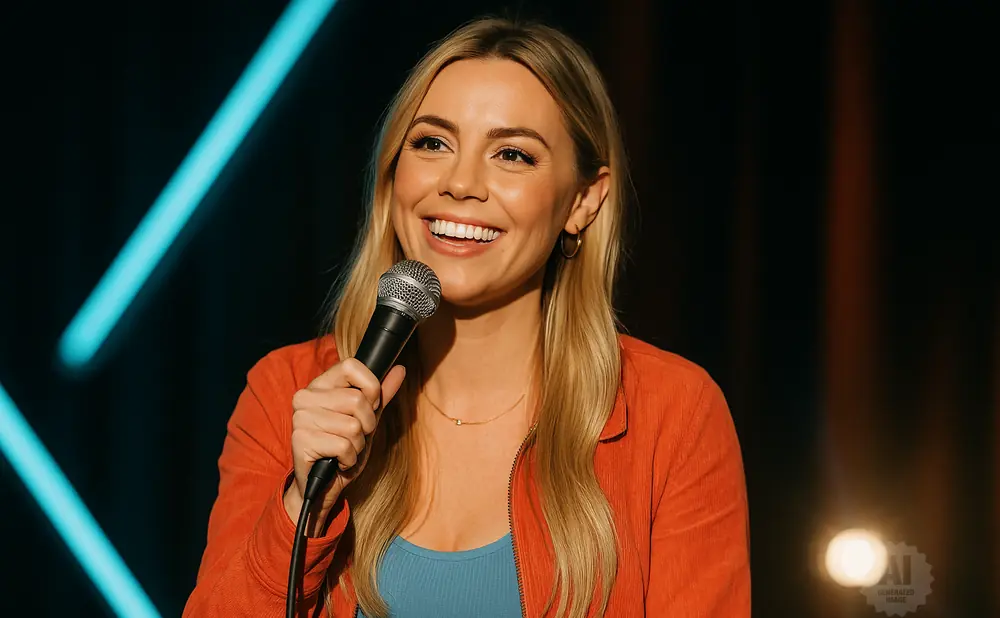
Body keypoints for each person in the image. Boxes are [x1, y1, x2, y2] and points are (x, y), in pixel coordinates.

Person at [183, 16, 750, 618]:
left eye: (512, 154)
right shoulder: (288, 393)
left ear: (583, 201)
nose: (459, 183)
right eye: (432, 143)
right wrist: (305, 503)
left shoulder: (672, 414)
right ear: (393, 174)